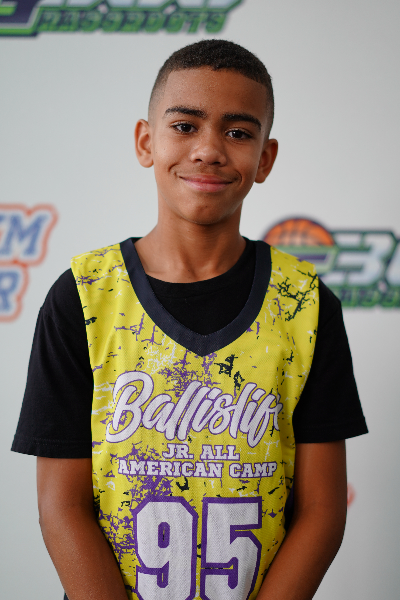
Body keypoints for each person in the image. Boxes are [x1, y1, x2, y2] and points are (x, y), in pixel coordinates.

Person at [12, 39, 368, 600]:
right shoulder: (83, 296)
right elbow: (61, 506)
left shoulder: (305, 304)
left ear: (265, 158)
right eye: (184, 126)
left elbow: (322, 511)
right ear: (146, 141)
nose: (208, 150)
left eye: (238, 133)